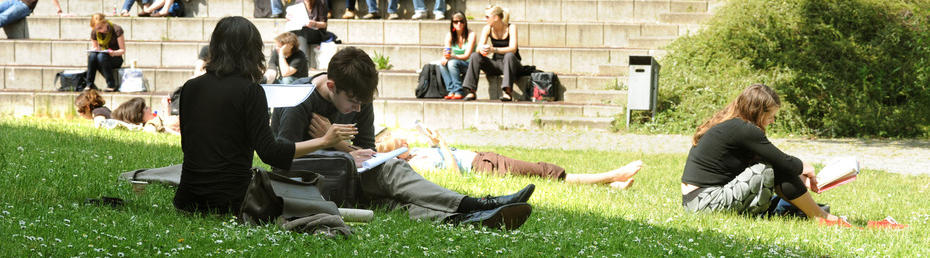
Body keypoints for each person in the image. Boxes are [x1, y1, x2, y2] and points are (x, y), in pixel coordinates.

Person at [273, 47, 535, 230]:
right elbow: (279, 159)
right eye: (352, 102)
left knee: (392, 202)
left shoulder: (360, 99)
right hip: (312, 184)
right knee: (393, 168)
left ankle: (466, 218)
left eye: (363, 102)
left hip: (348, 178)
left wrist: (340, 146)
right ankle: (473, 204)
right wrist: (326, 144)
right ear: (332, 87)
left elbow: (366, 151)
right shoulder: (300, 98)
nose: (358, 110)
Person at [172, 16, 358, 214]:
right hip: (230, 201)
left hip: (188, 199)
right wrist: (324, 141)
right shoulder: (250, 92)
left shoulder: (190, 88)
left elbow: (189, 146)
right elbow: (271, 153)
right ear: (253, 52)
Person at [680, 84, 849, 225]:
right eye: (771, 116)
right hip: (703, 202)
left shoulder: (734, 125)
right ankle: (820, 216)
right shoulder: (744, 130)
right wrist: (807, 169)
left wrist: (800, 179)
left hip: (697, 201)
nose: (773, 121)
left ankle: (813, 213)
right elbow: (783, 161)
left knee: (772, 167)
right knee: (766, 168)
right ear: (757, 112)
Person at [378, 126, 642, 189]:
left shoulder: (416, 153)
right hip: (484, 167)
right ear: (396, 154)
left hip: (483, 158)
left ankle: (611, 183)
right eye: (399, 143)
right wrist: (443, 145)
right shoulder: (416, 164)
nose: (405, 140)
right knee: (543, 171)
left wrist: (434, 143)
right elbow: (452, 175)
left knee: (539, 169)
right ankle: (612, 175)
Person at [461, 5, 522, 101]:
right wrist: (482, 49)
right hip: (496, 64)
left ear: (496, 18)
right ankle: (471, 91)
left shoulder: (511, 27)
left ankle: (508, 92)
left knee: (509, 56)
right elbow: (478, 48)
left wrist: (493, 50)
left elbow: (513, 49)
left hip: (512, 64)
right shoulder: (487, 28)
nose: (485, 19)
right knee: (475, 56)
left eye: (487, 17)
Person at [438, 11, 475, 100]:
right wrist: (445, 57)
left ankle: (458, 91)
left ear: (465, 23)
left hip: (469, 63)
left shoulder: (471, 34)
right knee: (442, 64)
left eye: (461, 21)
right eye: (456, 22)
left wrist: (451, 57)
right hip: (457, 62)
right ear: (452, 23)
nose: (459, 24)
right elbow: (447, 50)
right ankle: (451, 90)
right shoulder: (450, 35)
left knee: (452, 63)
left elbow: (467, 56)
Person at [86, 13, 125, 92]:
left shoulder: (116, 29)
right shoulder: (95, 32)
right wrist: (95, 49)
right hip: (101, 58)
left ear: (105, 23)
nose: (98, 30)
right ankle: (89, 84)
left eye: (100, 28)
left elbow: (122, 50)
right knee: (92, 56)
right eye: (96, 29)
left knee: (101, 56)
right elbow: (95, 47)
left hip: (115, 58)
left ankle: (111, 85)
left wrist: (114, 53)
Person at [290, 0, 329, 70]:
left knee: (302, 30)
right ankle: (300, 61)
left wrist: (314, 23)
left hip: (317, 32)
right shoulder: (298, 2)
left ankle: (304, 62)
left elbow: (324, 24)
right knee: (296, 30)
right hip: (303, 32)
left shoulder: (321, 2)